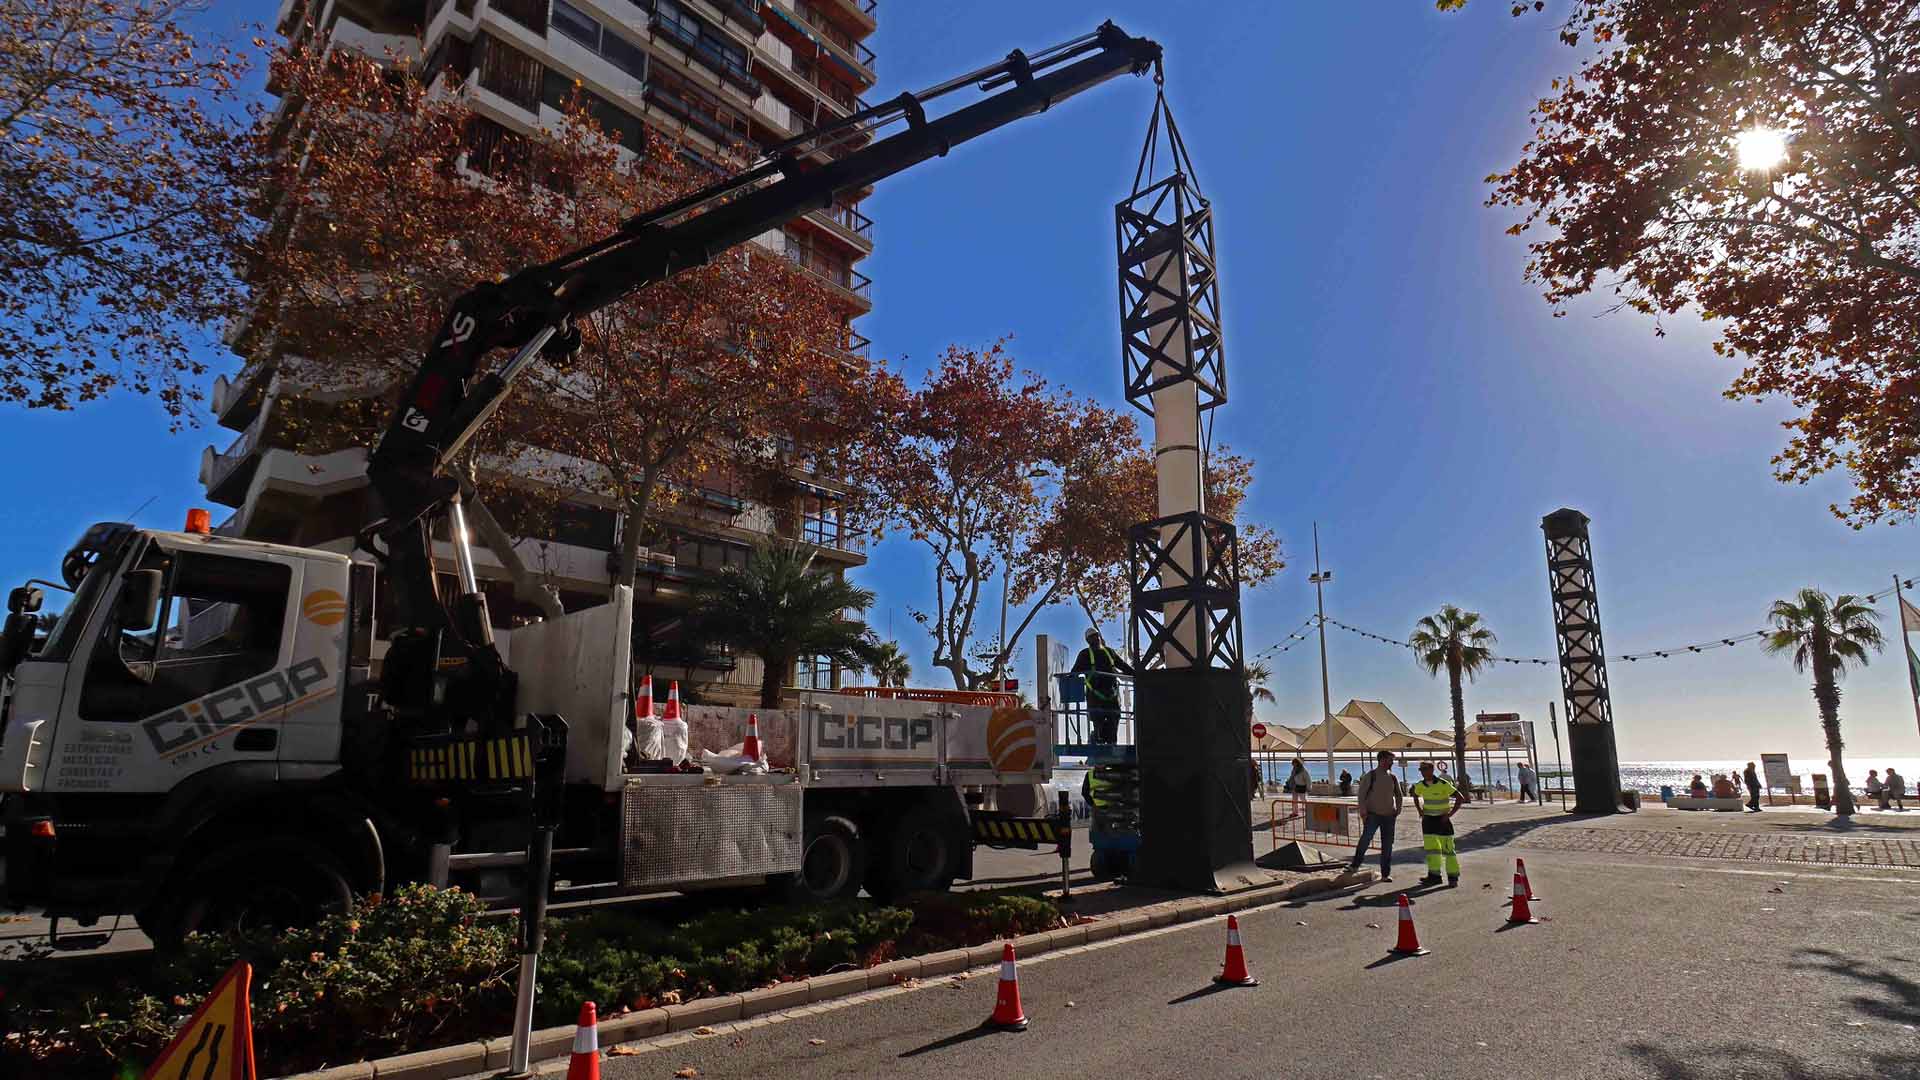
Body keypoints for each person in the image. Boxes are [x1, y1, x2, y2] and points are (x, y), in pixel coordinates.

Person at [1409, 759, 1468, 886]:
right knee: (1432, 850)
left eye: (1425, 769)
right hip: (1428, 821)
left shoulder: (1443, 783)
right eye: (1421, 770)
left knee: (1448, 850)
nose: (1423, 772)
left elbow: (1460, 797)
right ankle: (1434, 876)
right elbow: (1415, 794)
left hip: (1442, 821)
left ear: (1432, 769)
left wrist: (1450, 815)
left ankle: (1453, 878)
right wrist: (1420, 810)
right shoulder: (1420, 785)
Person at [1348, 750, 1403, 882]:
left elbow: (1399, 794)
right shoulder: (1371, 776)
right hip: (1373, 815)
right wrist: (1363, 812)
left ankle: (1385, 874)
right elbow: (1361, 795)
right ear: (1382, 760)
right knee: (1365, 840)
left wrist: (1398, 809)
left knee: (1388, 845)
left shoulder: (1393, 777)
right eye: (1390, 760)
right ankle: (1355, 865)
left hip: (1389, 817)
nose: (1392, 763)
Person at [1071, 628, 1131, 745]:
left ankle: (1111, 746)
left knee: (1114, 720)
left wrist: (1137, 674)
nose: (1096, 638)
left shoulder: (1110, 652)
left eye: (1097, 635)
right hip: (1095, 697)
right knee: (1098, 722)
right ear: (1088, 640)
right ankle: (1098, 741)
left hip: (1112, 695)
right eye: (1092, 637)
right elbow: (1074, 672)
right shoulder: (1084, 654)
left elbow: (1123, 666)